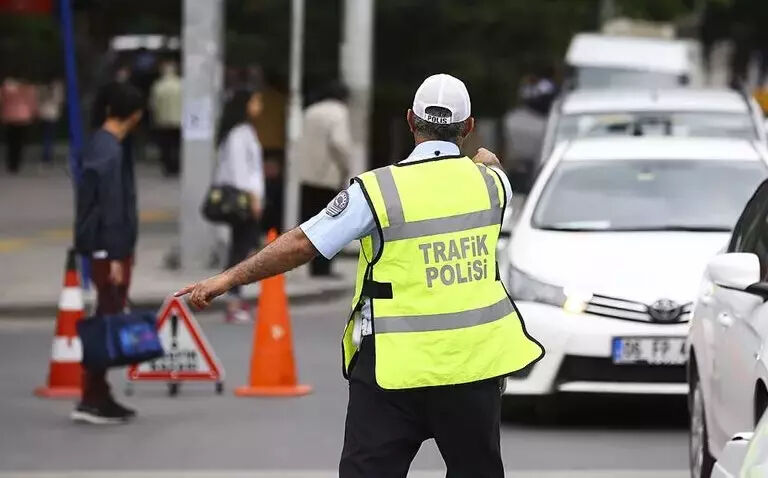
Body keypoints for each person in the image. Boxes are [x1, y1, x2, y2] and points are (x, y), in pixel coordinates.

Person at [177, 74, 545, 477]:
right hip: (473, 368)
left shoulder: (377, 190)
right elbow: (489, 162)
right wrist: (483, 158)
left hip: (392, 370)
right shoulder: (493, 186)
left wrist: (227, 279)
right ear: (469, 126)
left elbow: (303, 243)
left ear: (410, 120)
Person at [72, 83, 144, 424]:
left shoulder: (103, 145)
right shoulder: (110, 151)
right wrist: (116, 256)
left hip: (108, 249)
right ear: (134, 115)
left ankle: (98, 393)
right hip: (108, 251)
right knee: (107, 321)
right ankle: (92, 397)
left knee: (108, 317)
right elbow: (110, 208)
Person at [214, 88, 265, 323]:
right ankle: (232, 301)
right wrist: (253, 198)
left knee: (243, 248)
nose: (259, 105)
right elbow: (239, 171)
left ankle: (236, 297)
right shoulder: (238, 134)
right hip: (243, 201)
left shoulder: (245, 131)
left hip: (248, 199)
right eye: (255, 100)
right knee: (240, 251)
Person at [297, 81, 352, 277]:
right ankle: (324, 268)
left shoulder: (310, 112)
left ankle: (313, 267)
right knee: (331, 224)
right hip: (328, 176)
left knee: (311, 224)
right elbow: (339, 142)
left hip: (307, 175)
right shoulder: (339, 113)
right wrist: (346, 166)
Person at [149, 60, 182, 176]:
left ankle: (168, 167)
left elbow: (153, 105)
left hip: (163, 121)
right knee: (177, 145)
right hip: (179, 121)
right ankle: (177, 166)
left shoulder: (158, 86)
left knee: (165, 146)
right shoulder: (181, 85)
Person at [1, 77, 38, 173]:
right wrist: (33, 114)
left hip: (9, 118)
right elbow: (32, 103)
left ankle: (11, 163)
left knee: (11, 143)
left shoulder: (6, 88)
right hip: (23, 118)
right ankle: (16, 164)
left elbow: (2, 100)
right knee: (19, 143)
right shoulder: (29, 89)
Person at [38, 78, 64, 165]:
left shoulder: (42, 88)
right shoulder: (57, 88)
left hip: (44, 114)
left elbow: (39, 100)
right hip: (53, 114)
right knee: (50, 136)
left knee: (45, 135)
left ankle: (46, 155)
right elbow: (60, 101)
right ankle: (49, 155)